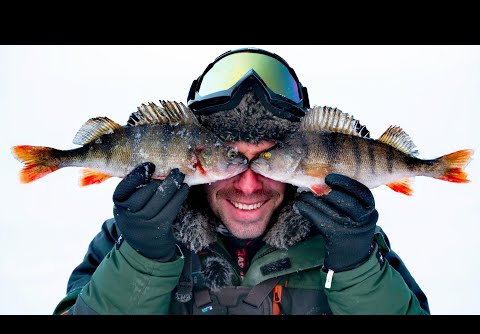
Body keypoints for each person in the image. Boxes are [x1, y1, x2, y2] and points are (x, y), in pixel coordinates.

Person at [53, 48, 430, 315]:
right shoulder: (128, 238)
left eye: (264, 161)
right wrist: (141, 261)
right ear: (196, 158)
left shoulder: (355, 242)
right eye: (233, 161)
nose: (249, 185)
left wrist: (356, 269)